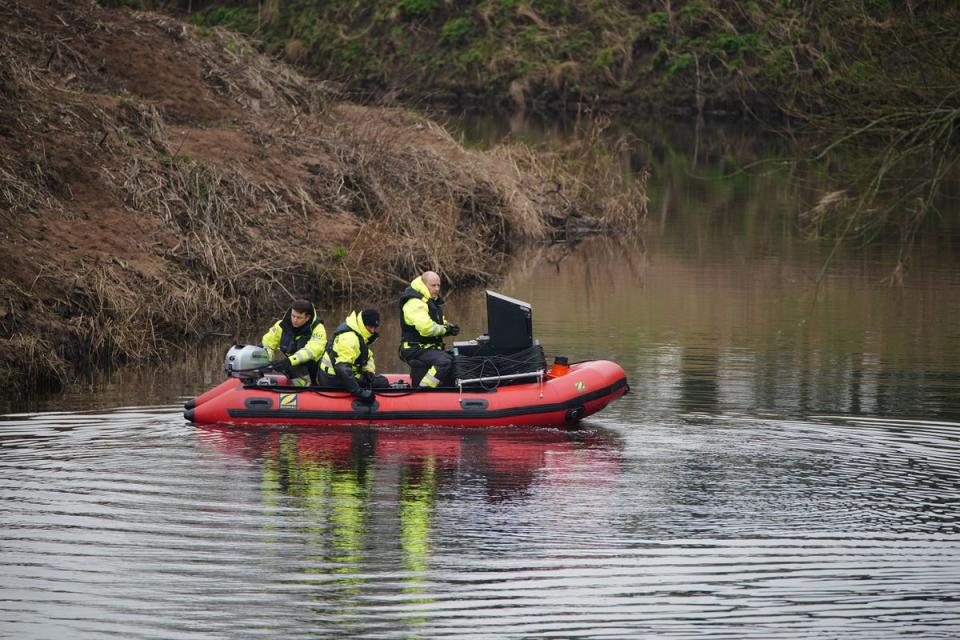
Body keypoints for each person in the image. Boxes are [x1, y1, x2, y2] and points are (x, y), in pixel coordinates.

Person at [399, 270, 459, 388]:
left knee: (455, 357)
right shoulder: (415, 303)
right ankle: (423, 388)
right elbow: (426, 328)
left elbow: (437, 323)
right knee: (444, 361)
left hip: (426, 347)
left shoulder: (430, 301)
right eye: (433, 285)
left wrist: (449, 327)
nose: (437, 289)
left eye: (438, 285)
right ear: (424, 284)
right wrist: (445, 329)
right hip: (414, 349)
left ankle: (444, 386)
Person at [319, 308, 389, 402]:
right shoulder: (349, 338)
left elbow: (367, 357)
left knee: (376, 380)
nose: (372, 331)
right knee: (382, 382)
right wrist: (359, 392)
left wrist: (368, 371)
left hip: (334, 374)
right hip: (332, 378)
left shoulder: (358, 332)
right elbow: (342, 368)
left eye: (374, 328)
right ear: (363, 324)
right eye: (370, 327)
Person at [261, 298, 326, 387]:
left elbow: (311, 351)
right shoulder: (281, 326)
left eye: (299, 317)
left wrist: (290, 361)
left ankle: (305, 390)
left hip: (315, 369)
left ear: (307, 318)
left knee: (293, 367)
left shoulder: (318, 329)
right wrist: (266, 361)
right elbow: (268, 344)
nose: (294, 320)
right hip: (292, 365)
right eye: (293, 316)